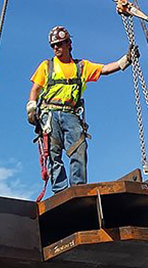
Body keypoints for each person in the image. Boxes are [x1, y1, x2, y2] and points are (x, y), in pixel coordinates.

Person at [26, 26, 134, 193]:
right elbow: (35, 89)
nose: (56, 48)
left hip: (70, 113)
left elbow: (104, 69)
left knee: (78, 148)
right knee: (52, 153)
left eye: (59, 44)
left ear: (68, 44)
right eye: (53, 45)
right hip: (50, 113)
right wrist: (32, 106)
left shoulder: (81, 67)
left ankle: (78, 189)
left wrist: (125, 60)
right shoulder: (47, 66)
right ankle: (60, 192)